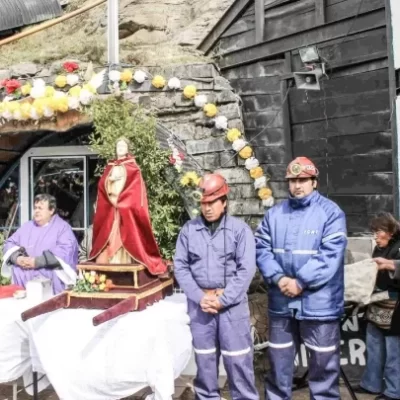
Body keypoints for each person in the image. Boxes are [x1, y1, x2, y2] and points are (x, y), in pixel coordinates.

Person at [255, 156, 347, 400]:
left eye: (303, 180)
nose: (297, 185)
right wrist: (279, 278)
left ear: (314, 182)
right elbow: (261, 249)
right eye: (293, 180)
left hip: (319, 307)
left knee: (323, 372)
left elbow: (330, 256)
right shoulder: (274, 214)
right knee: (278, 368)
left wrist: (299, 282)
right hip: (281, 304)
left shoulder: (331, 213)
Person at [174, 173, 259, 400]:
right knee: (206, 363)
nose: (207, 208)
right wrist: (199, 297)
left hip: (232, 309)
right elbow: (180, 267)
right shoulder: (189, 231)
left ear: (224, 202)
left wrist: (223, 299)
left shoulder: (240, 231)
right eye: (203, 203)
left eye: (212, 203)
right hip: (201, 307)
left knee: (238, 362)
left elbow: (246, 270)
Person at [88, 137, 166, 275]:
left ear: (128, 149)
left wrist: (124, 202)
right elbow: (102, 186)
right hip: (111, 208)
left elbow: (135, 191)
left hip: (125, 208)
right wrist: (109, 185)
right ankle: (110, 265)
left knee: (128, 235)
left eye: (123, 146)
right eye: (118, 146)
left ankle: (125, 268)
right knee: (109, 236)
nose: (121, 148)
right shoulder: (110, 166)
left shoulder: (132, 167)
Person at [355, 212, 400, 400]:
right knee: (373, 347)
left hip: (395, 307)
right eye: (373, 232)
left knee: (393, 352)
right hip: (376, 304)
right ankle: (371, 384)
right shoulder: (379, 248)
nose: (375, 236)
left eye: (379, 231)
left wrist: (390, 265)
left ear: (390, 231)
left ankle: (393, 391)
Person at [2, 194, 78, 294]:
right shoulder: (27, 226)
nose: (36, 211)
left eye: (40, 208)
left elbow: (66, 251)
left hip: (49, 284)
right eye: (35, 208)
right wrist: (18, 258)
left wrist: (37, 261)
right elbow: (9, 243)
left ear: (51, 210)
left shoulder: (63, 228)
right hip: (22, 284)